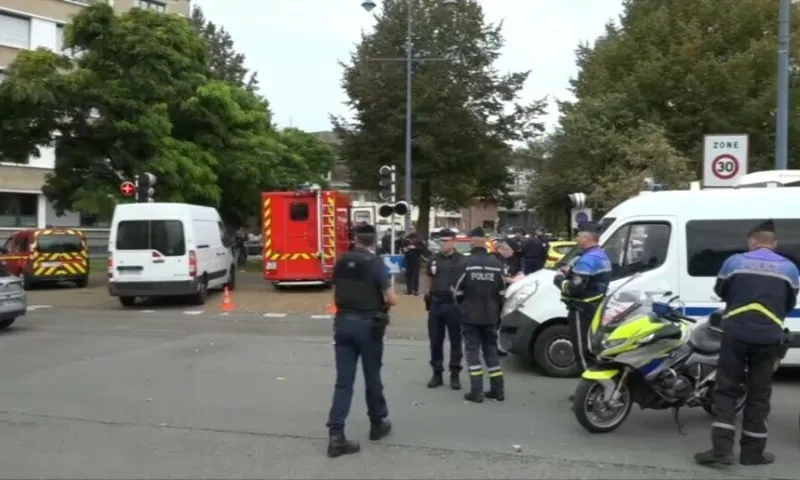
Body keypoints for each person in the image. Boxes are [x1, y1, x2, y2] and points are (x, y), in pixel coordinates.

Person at [694, 219, 798, 467]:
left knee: (727, 390)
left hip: (736, 335)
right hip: (769, 338)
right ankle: (753, 454)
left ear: (752, 241)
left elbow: (721, 291)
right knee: (759, 395)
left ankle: (721, 451)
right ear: (774, 243)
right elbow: (789, 303)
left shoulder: (735, 262)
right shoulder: (790, 268)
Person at [326, 223, 398, 458]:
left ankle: (336, 436)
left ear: (356, 239)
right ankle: (377, 424)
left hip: (343, 323)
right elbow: (392, 298)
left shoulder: (342, 260)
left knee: (343, 382)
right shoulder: (374, 263)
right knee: (372, 377)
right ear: (373, 241)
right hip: (368, 325)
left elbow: (335, 291)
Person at [453, 227, 507, 403]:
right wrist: (497, 310)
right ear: (485, 240)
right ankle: (498, 390)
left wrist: (462, 305)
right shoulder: (497, 264)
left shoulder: (466, 263)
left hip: (470, 314)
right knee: (491, 351)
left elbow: (457, 291)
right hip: (491, 315)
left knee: (472, 352)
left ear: (471, 240)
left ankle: (477, 391)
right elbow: (502, 293)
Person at [553, 221, 611, 374]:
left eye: (579, 236)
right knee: (593, 348)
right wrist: (572, 272)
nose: (577, 239)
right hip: (595, 306)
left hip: (582, 309)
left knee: (582, 349)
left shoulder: (587, 260)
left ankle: (589, 388)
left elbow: (574, 289)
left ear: (586, 238)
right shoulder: (601, 255)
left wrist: (559, 279)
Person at [424, 229, 465, 390]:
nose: (443, 244)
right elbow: (429, 278)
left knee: (456, 341)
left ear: (454, 242)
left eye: (446, 240)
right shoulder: (433, 259)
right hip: (436, 303)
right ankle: (437, 373)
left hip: (454, 304)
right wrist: (429, 295)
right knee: (435, 340)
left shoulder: (461, 260)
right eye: (441, 241)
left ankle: (454, 374)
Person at [402, 228, 425, 295]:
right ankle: (409, 290)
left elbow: (423, 248)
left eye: (413, 229)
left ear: (415, 229)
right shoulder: (407, 237)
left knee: (415, 275)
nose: (411, 230)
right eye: (410, 229)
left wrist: (415, 247)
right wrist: (404, 249)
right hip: (408, 258)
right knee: (408, 274)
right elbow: (403, 246)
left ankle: (415, 290)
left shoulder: (420, 237)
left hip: (416, 258)